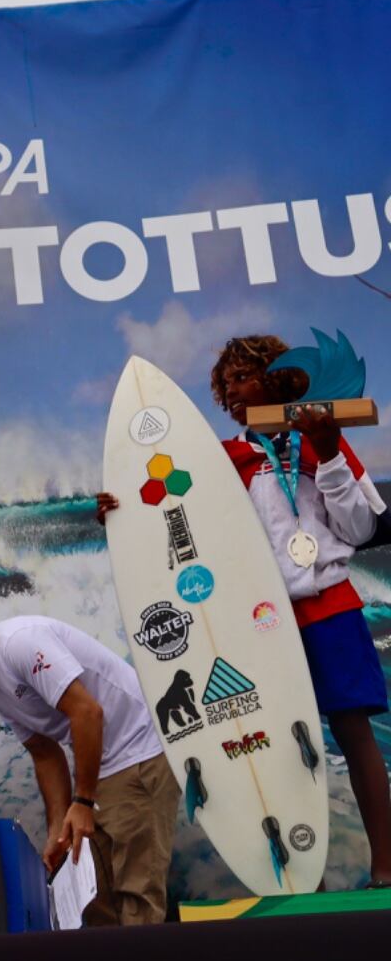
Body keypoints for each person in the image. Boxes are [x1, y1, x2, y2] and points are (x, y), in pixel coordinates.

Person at [98, 333, 391, 887]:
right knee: (275, 741)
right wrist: (119, 509)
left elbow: (361, 529)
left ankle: (385, 869)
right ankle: (300, 873)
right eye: (224, 384)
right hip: (261, 622)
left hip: (329, 608)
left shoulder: (320, 442)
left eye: (242, 378)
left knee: (354, 734)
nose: (231, 392)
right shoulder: (221, 461)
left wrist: (327, 453)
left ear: (275, 378)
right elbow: (175, 522)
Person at [0, 593, 176, 925]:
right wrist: (58, 831)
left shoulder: (19, 643)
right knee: (95, 905)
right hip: (100, 769)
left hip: (138, 755)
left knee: (136, 898)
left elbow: (86, 712)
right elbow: (45, 754)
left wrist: (82, 801)